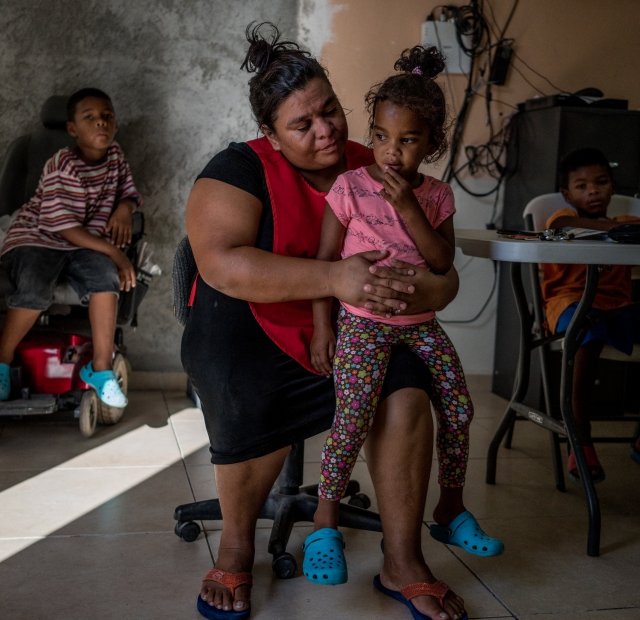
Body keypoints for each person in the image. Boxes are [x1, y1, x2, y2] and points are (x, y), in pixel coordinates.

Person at [183, 23, 469, 620]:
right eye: (302, 124)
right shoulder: (239, 168)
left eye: (331, 111)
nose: (326, 130)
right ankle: (237, 544)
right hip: (260, 324)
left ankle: (404, 560)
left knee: (410, 386)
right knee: (233, 361)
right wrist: (336, 281)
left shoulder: (385, 167)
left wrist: (422, 287)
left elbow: (443, 275)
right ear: (270, 134)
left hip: (363, 330)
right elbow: (220, 264)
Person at [304, 46, 502, 590]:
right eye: (382, 137)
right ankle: (325, 520)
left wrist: (410, 209)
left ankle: (450, 510)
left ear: (432, 144)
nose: (391, 153)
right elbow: (324, 266)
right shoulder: (348, 187)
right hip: (364, 325)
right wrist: (325, 328)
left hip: (421, 328)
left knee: (459, 409)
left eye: (408, 140)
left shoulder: (437, 196)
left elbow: (441, 263)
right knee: (353, 418)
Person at [0, 88, 139, 408]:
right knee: (36, 284)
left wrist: (125, 207)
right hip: (40, 236)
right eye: (89, 118)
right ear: (72, 129)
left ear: (115, 123)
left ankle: (102, 371)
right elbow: (63, 227)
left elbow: (128, 192)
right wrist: (115, 252)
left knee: (105, 278)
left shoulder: (116, 156)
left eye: (107, 116)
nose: (100, 124)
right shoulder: (62, 163)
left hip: (83, 243)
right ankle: (0, 360)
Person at [542, 147, 640, 490]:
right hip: (569, 305)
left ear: (613, 187)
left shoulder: (624, 224)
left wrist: (628, 228)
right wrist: (609, 228)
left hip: (617, 308)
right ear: (567, 194)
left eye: (601, 182)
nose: (592, 191)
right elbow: (560, 224)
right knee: (588, 335)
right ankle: (581, 437)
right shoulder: (564, 217)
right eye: (581, 186)